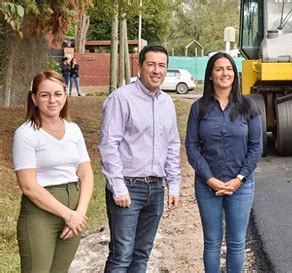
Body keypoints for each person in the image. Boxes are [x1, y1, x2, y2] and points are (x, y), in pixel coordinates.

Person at [99, 45, 181, 272]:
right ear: (140, 66)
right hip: (128, 187)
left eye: (162, 65)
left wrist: (173, 185)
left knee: (142, 254)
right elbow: (108, 145)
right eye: (151, 64)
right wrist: (118, 187)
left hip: (156, 190)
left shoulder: (168, 103)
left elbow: (172, 145)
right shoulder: (121, 99)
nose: (157, 70)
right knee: (121, 255)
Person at [185, 52, 262, 273]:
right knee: (212, 242)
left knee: (237, 243)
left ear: (235, 75)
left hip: (241, 186)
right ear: (210, 75)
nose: (224, 73)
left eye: (228, 68)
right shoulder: (198, 108)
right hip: (207, 185)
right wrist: (210, 179)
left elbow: (256, 147)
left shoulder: (249, 107)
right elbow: (192, 147)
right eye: (219, 69)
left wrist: (239, 179)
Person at [12, 70, 94, 273]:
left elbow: (86, 173)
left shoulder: (73, 129)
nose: (52, 100)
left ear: (65, 96)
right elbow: (28, 185)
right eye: (45, 95)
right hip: (41, 214)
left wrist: (79, 213)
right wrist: (67, 215)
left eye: (58, 94)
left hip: (75, 210)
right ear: (34, 98)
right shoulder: (26, 134)